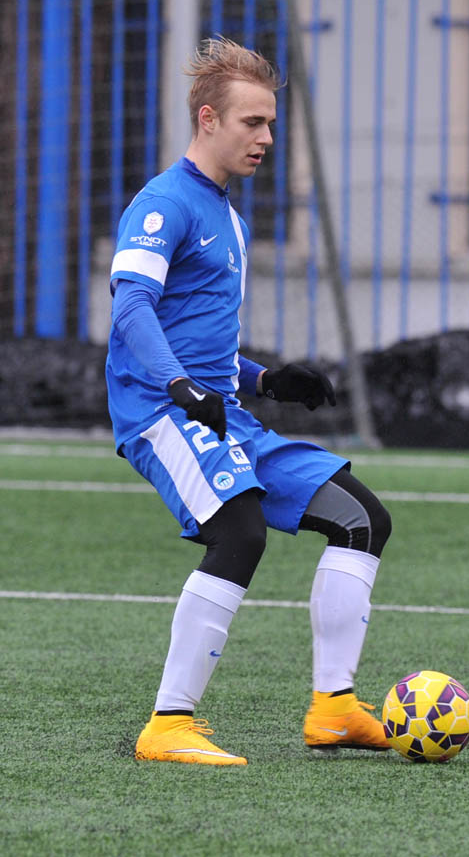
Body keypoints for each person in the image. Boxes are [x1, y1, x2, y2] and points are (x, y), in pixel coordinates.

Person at [106, 38, 392, 766]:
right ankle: (168, 724)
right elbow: (132, 308)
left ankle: (334, 709)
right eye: (252, 122)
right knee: (239, 532)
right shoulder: (164, 203)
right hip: (160, 412)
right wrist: (180, 386)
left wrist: (265, 382)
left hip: (219, 410)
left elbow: (198, 342)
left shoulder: (227, 216)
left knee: (361, 519)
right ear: (208, 119)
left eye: (270, 123)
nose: (266, 137)